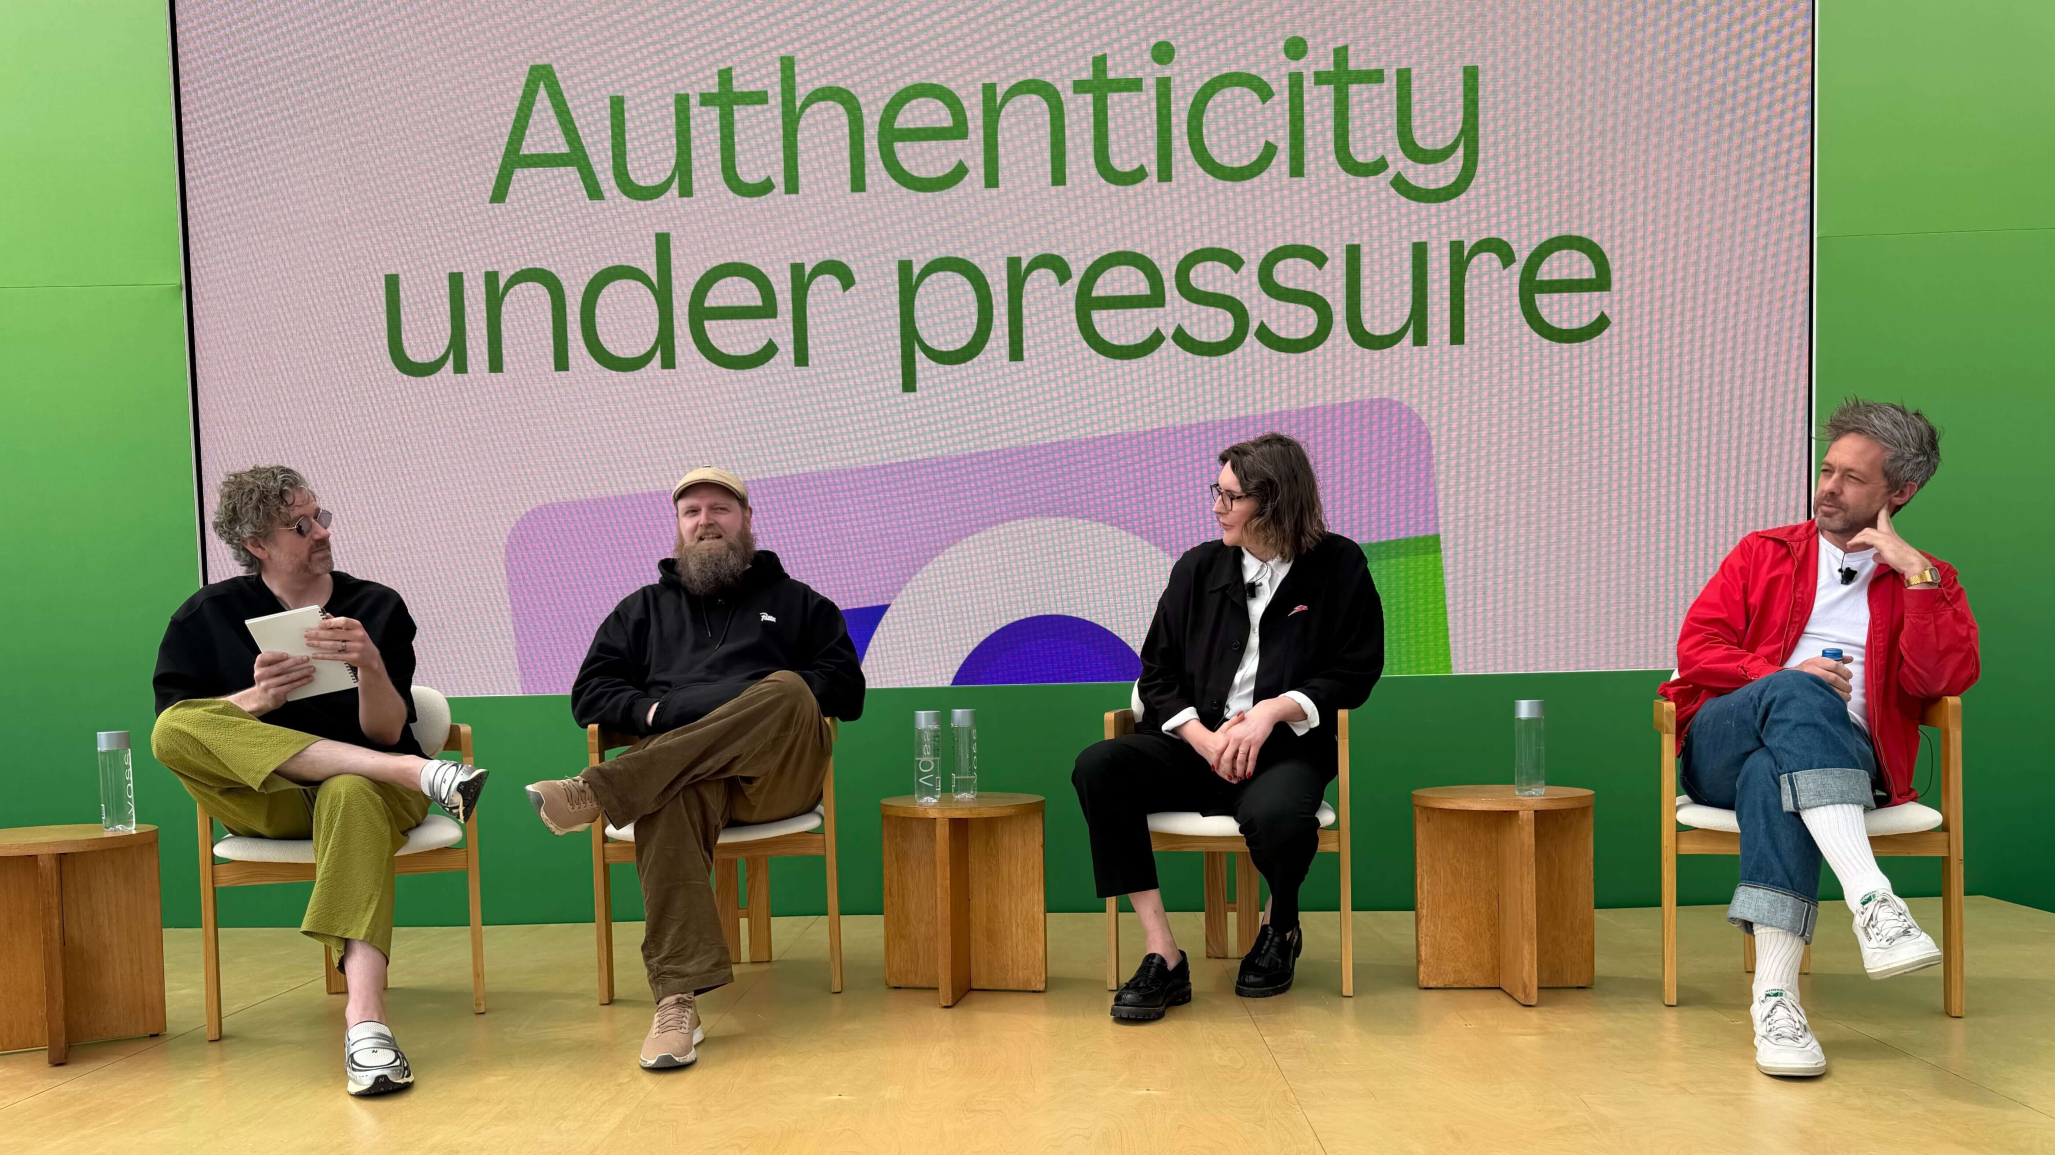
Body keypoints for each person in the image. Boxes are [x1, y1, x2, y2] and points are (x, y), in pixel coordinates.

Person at [1662, 398, 1978, 1078]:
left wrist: (1912, 573)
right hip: (1721, 738)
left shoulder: (1926, 577)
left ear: (1900, 492)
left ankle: (1775, 1002)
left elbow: (1943, 677)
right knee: (1799, 690)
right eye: (1826, 469)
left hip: (1842, 765)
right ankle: (1870, 896)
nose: (1827, 487)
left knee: (1771, 777)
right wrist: (1782, 674)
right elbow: (1696, 648)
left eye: (1851, 478)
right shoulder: (1763, 552)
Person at [151, 465, 489, 1097]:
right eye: (299, 525)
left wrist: (370, 666)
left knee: (351, 789)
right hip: (270, 799)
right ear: (257, 545)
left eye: (320, 517)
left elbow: (388, 728)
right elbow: (182, 729)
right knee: (170, 730)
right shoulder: (206, 615)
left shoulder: (374, 606)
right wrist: (253, 700)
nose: (319, 533)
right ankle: (425, 773)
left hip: (373, 799)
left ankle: (366, 1025)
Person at [527, 466, 863, 1071]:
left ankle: (600, 790)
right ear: (678, 528)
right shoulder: (642, 611)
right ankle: (677, 1001)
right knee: (672, 792)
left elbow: (846, 690)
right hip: (685, 783)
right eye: (692, 512)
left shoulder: (800, 603)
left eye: (719, 509)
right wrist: (653, 708)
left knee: (787, 689)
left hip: (775, 780)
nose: (706, 521)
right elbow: (591, 695)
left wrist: (720, 704)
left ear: (746, 521)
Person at [1072, 433, 1384, 1020]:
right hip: (1196, 748)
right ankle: (1163, 953)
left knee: (1277, 814)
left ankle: (1280, 923)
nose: (1216, 505)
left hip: (1285, 752)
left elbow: (1357, 669)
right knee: (1098, 767)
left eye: (1230, 496)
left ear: (1274, 503)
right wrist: (1202, 736)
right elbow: (1157, 672)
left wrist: (1271, 711)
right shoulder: (1196, 567)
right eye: (1217, 491)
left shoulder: (1340, 564)